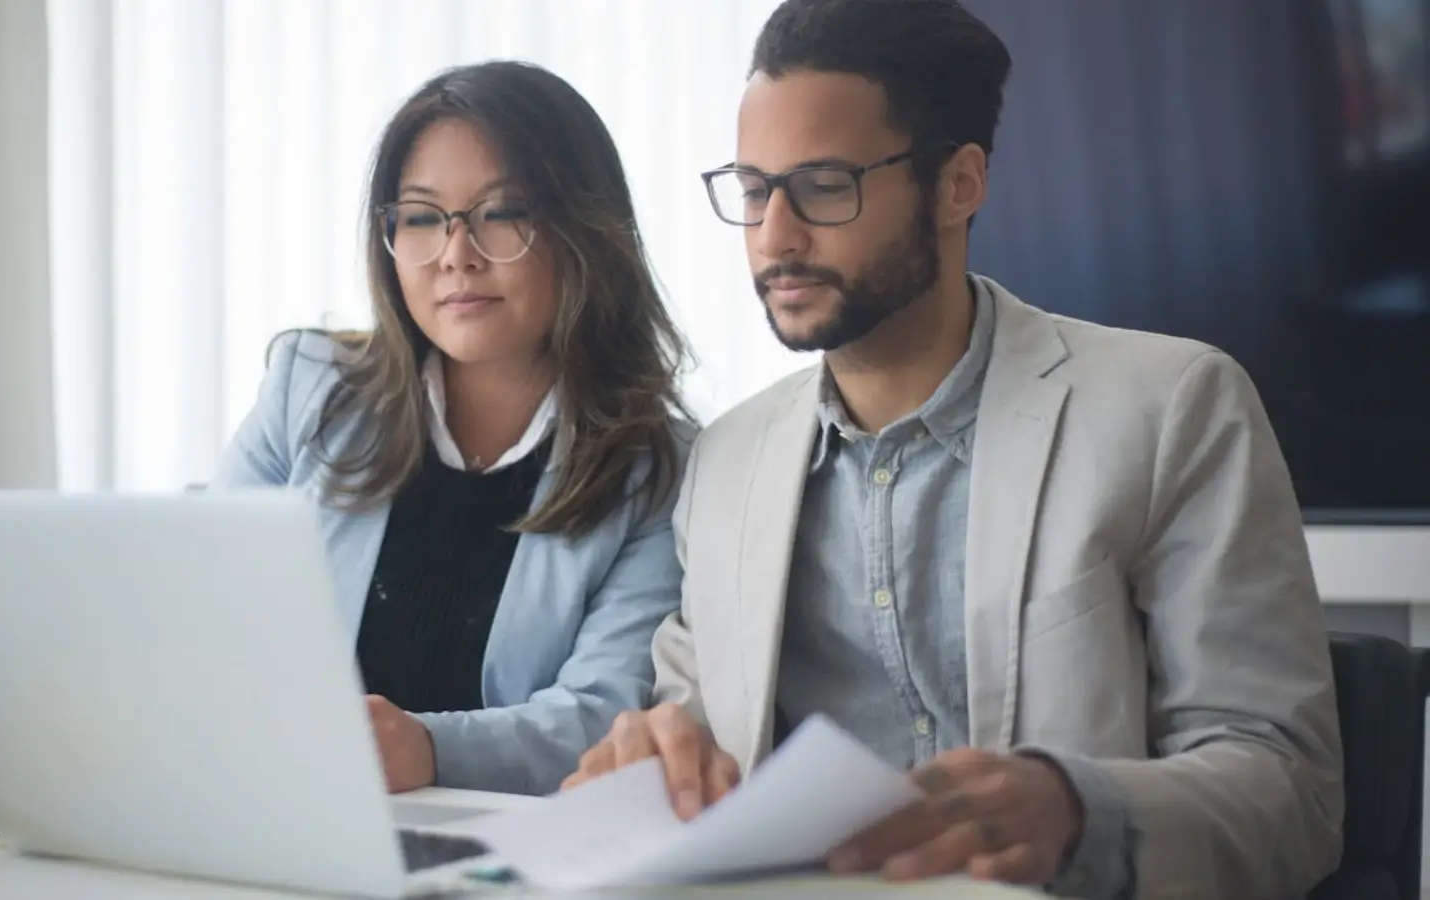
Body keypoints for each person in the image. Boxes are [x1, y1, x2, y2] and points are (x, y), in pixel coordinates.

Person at [564, 1, 1343, 897]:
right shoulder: (726, 463)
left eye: (824, 185)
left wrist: (1076, 810)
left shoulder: (1173, 409)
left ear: (959, 184)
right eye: (752, 190)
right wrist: (653, 762)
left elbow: (1294, 793)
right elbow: (691, 738)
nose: (775, 236)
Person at [215, 60, 694, 797]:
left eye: (502, 213)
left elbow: (604, 718)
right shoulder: (307, 390)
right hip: (281, 806)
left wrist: (430, 749)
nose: (456, 254)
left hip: (505, 839)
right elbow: (207, 618)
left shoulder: (659, 470)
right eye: (421, 217)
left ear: (585, 228)